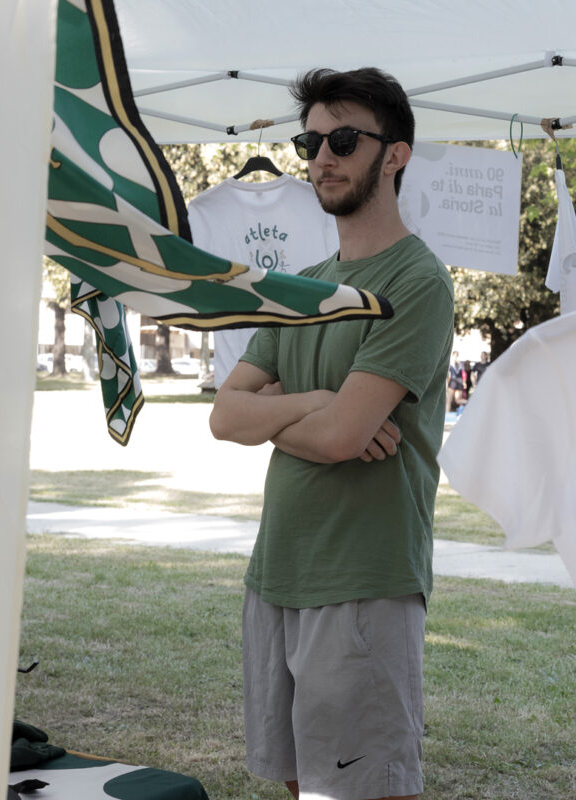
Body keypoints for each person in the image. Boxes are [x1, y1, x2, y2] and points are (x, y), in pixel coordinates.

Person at [209, 67, 454, 800]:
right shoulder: (304, 288)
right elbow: (224, 416)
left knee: (364, 788)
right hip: (277, 571)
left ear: (396, 154)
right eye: (309, 141)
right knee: (297, 782)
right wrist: (317, 399)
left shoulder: (417, 281)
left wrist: (284, 411)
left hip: (363, 580)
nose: (322, 156)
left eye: (343, 139)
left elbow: (346, 437)